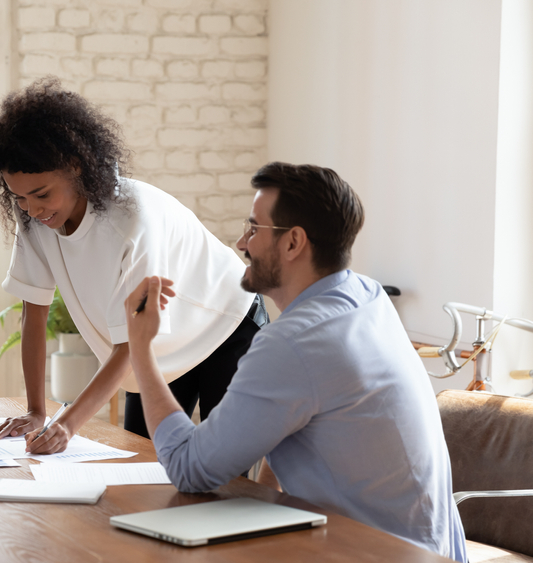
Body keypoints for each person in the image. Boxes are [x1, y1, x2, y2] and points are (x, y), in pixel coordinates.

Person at [123, 162, 467, 561]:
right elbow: (302, 421)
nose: (240, 242)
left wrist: (142, 348)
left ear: (293, 243)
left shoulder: (293, 342)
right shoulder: (367, 296)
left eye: (254, 228)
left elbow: (188, 469)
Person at [0, 77, 267, 454]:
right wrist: (35, 411)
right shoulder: (33, 215)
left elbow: (131, 342)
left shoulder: (130, 221)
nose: (31, 209)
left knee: (223, 475)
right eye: (19, 197)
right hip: (153, 351)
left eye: (42, 194)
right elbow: (34, 311)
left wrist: (67, 425)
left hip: (225, 327)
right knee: (139, 468)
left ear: (75, 167)